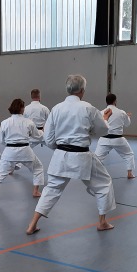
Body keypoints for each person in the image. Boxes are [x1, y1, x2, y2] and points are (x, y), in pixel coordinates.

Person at [26, 74, 115, 235]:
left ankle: (32, 224)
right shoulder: (88, 108)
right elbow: (103, 130)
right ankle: (102, 222)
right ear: (82, 90)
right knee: (104, 183)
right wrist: (104, 119)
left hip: (60, 156)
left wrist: (60, 148)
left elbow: (48, 138)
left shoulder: (56, 109)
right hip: (82, 156)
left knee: (51, 190)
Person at [0, 99, 45, 202]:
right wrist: (42, 131)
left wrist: (10, 145)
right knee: (38, 168)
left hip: (9, 151)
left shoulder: (5, 122)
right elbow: (37, 136)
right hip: (26, 151)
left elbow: (2, 140)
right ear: (22, 109)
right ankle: (35, 191)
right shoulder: (29, 122)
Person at [94, 93, 135, 180]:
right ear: (115, 101)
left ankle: (94, 174)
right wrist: (128, 117)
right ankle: (130, 173)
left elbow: (98, 126)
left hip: (104, 139)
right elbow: (127, 124)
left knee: (97, 158)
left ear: (106, 102)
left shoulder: (101, 113)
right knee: (129, 155)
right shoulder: (121, 112)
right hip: (118, 139)